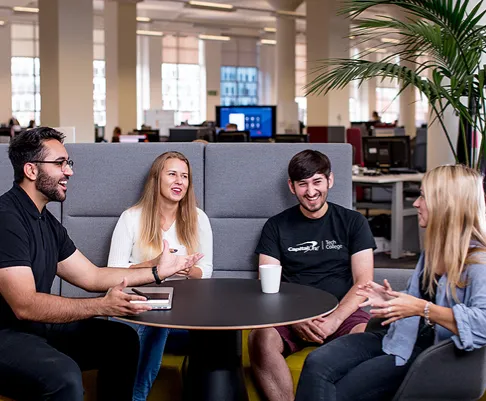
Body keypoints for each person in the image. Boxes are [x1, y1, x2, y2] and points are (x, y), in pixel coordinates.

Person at [0, 127, 202, 401]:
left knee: (121, 341)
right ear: (31, 171)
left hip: (34, 328)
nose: (69, 171)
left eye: (67, 163)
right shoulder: (7, 218)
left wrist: (155, 271)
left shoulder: (46, 222)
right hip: (6, 334)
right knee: (65, 376)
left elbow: (92, 276)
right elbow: (24, 305)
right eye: (60, 163)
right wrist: (100, 306)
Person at [295, 164, 486, 401]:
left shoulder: (478, 262)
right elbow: (419, 300)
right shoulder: (434, 251)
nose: (416, 203)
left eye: (423, 197)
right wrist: (391, 300)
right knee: (318, 362)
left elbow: (482, 324)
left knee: (341, 390)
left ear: (446, 204)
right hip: (401, 336)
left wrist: (421, 309)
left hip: (432, 355)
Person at [249, 149, 376, 401]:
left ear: (330, 180)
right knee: (259, 339)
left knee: (367, 339)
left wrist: (335, 320)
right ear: (291, 186)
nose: (311, 191)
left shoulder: (353, 222)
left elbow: (364, 282)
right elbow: (267, 282)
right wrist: (294, 318)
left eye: (317, 181)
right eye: (302, 184)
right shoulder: (276, 226)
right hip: (291, 314)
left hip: (343, 311)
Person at [108, 151, 213, 401]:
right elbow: (114, 272)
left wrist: (188, 269)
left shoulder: (199, 219)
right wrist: (154, 266)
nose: (180, 181)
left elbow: (206, 270)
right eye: (173, 174)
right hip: (137, 309)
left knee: (161, 324)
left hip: (183, 318)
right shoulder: (131, 218)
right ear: (156, 179)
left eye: (185, 176)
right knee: (153, 324)